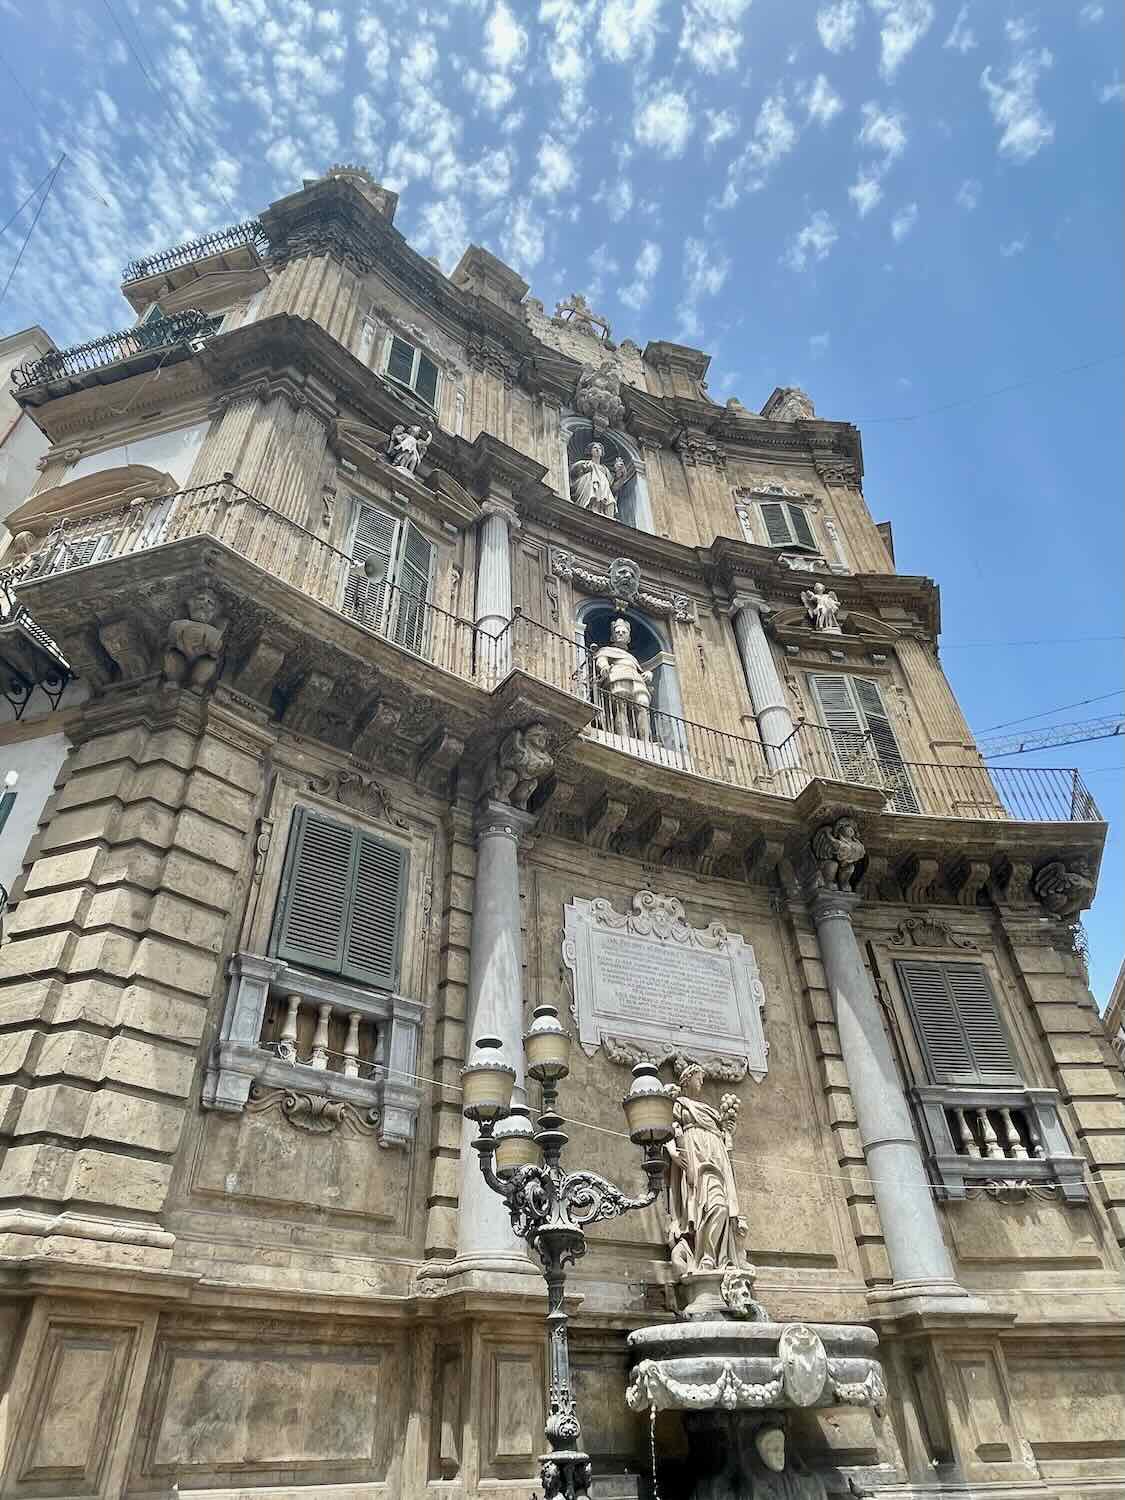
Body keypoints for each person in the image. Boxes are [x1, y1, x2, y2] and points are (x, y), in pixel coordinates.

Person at [666, 1063, 749, 1274]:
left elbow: (723, 1134)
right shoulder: (680, 1104)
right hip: (695, 1156)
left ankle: (717, 1258)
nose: (702, 1082)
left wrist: (728, 1132)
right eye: (699, 1077)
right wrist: (673, 1153)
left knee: (722, 1205)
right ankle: (705, 1256)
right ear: (688, 1079)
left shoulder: (710, 1111)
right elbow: (669, 1129)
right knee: (706, 1205)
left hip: (716, 1157)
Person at [568, 441, 628, 518]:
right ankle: (591, 506)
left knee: (609, 497)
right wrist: (583, 468)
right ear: (590, 451)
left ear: (602, 453)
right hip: (589, 489)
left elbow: (613, 488)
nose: (597, 450)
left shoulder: (605, 469)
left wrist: (621, 475)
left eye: (599, 448)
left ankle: (604, 511)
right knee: (590, 477)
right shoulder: (585, 464)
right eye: (594, 448)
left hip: (604, 493)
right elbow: (573, 473)